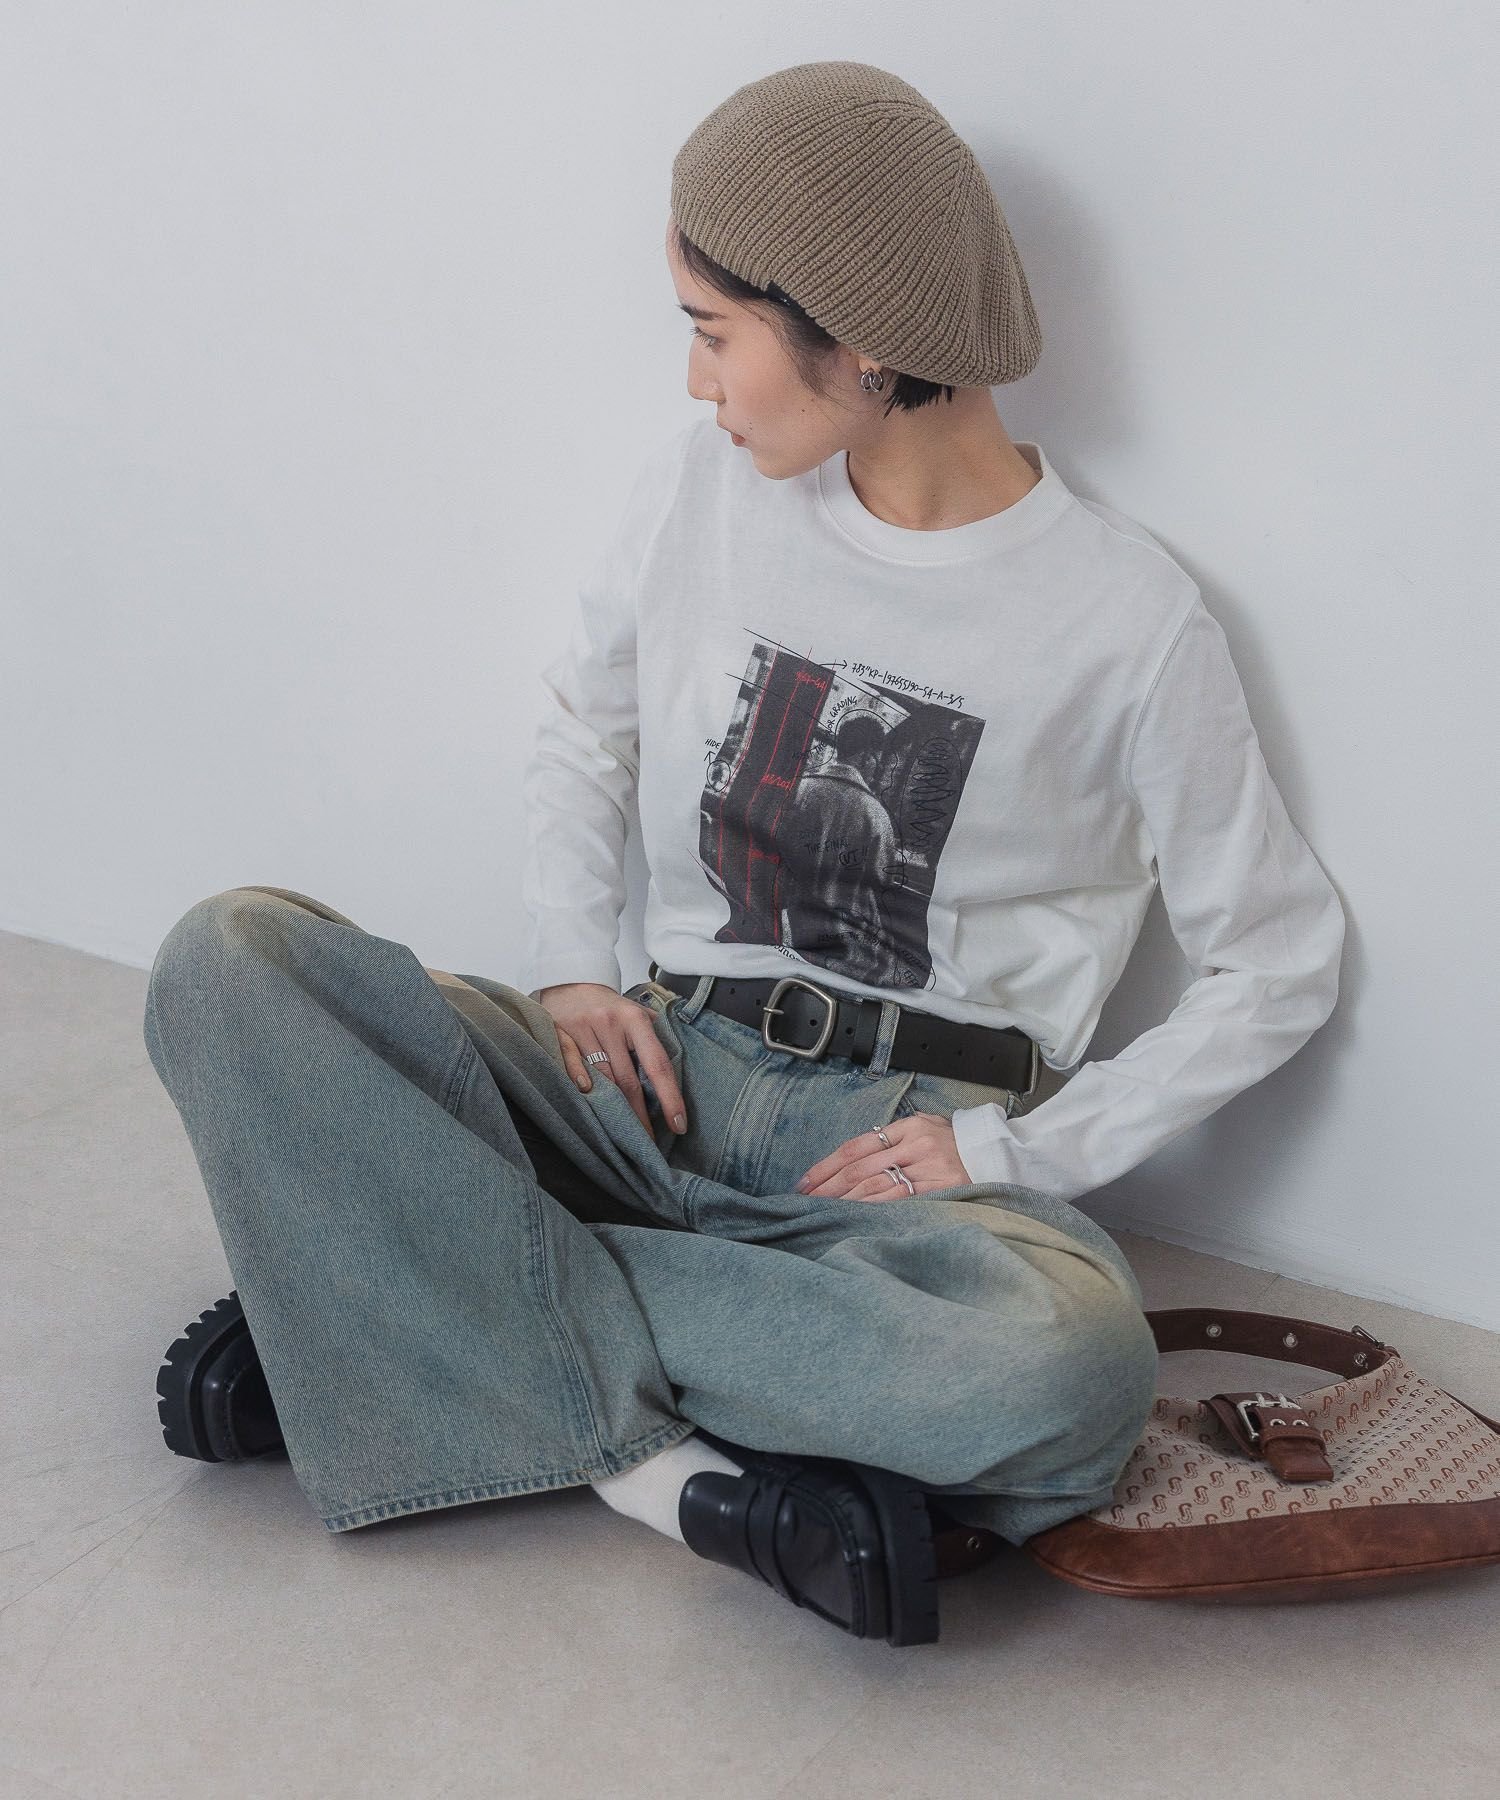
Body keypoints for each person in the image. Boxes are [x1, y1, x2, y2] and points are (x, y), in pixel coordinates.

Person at [147, 61, 1344, 1650]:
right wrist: (571, 974)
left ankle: (398, 1290)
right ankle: (674, 1476)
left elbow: (1279, 959)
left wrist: (1012, 1161)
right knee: (228, 962)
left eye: (716, 334)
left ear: (861, 341)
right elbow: (586, 725)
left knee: (1064, 1372)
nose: (698, 383)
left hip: (896, 1157)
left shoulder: (1128, 622)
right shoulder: (698, 491)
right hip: (647, 1072)